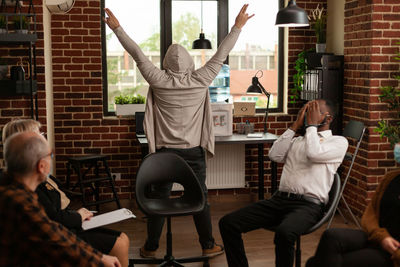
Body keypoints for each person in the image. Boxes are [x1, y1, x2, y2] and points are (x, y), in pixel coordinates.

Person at [104, 4, 254, 258]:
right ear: (190, 62)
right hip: (192, 153)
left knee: (159, 199)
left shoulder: (158, 80)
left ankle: (151, 248)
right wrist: (237, 26)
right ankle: (207, 245)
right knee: (199, 198)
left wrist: (117, 28)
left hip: (163, 154)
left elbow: (136, 53)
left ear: (165, 63)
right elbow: (222, 52)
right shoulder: (201, 79)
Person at [219, 99, 349, 267]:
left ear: (328, 118)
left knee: (285, 233)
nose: (308, 114)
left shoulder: (338, 142)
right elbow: (275, 155)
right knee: (228, 223)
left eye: (314, 110)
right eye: (307, 110)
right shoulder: (297, 141)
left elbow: (314, 153)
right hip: (279, 200)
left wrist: (311, 126)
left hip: (308, 206)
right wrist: (295, 126)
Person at [1, 119, 130, 267]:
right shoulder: (19, 201)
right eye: (49, 153)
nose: (52, 157)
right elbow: (54, 240)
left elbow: (53, 232)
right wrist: (98, 259)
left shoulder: (14, 188)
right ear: (41, 166)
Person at [306, 168, 400, 267]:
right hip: (377, 237)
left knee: (316, 263)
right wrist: (381, 237)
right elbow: (370, 214)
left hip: (394, 253)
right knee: (331, 236)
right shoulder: (391, 178)